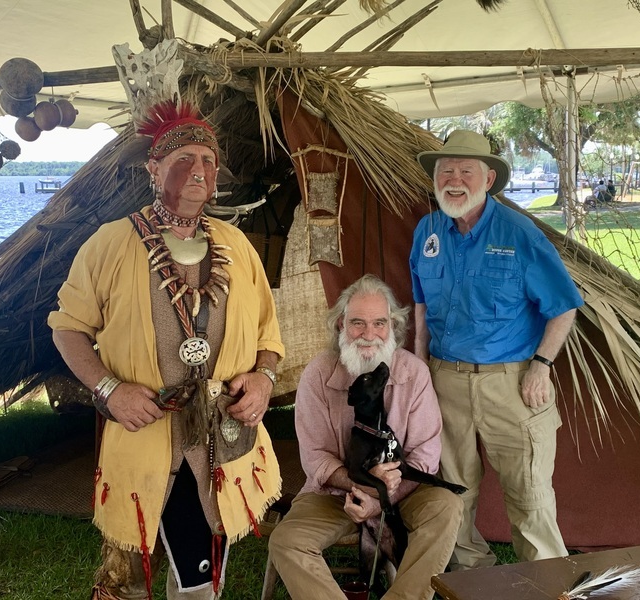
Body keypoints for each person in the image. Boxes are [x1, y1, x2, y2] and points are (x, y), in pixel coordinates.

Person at [48, 100, 285, 599]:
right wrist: (110, 390)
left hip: (220, 435)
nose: (199, 171)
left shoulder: (237, 245)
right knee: (134, 566)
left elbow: (269, 333)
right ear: (154, 170)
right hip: (146, 431)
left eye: (208, 161)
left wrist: (264, 380)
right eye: (184, 160)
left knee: (204, 568)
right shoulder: (111, 243)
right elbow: (68, 329)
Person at [409, 130, 584, 570]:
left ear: (488, 179)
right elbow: (421, 304)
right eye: (445, 170)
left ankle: (548, 588)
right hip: (444, 381)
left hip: (512, 384)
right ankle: (474, 582)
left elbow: (564, 307)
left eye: (466, 171)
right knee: (452, 494)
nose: (454, 180)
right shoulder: (428, 231)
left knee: (529, 497)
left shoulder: (519, 233)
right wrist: (418, 363)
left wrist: (541, 365)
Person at [268, 274, 464, 600]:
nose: (369, 334)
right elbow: (315, 456)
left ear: (393, 326)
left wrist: (381, 498)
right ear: (341, 325)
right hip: (334, 493)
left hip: (401, 492)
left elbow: (425, 456)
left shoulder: (414, 373)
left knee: (446, 506)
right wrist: (365, 488)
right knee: (287, 541)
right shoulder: (318, 374)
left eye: (379, 323)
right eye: (357, 323)